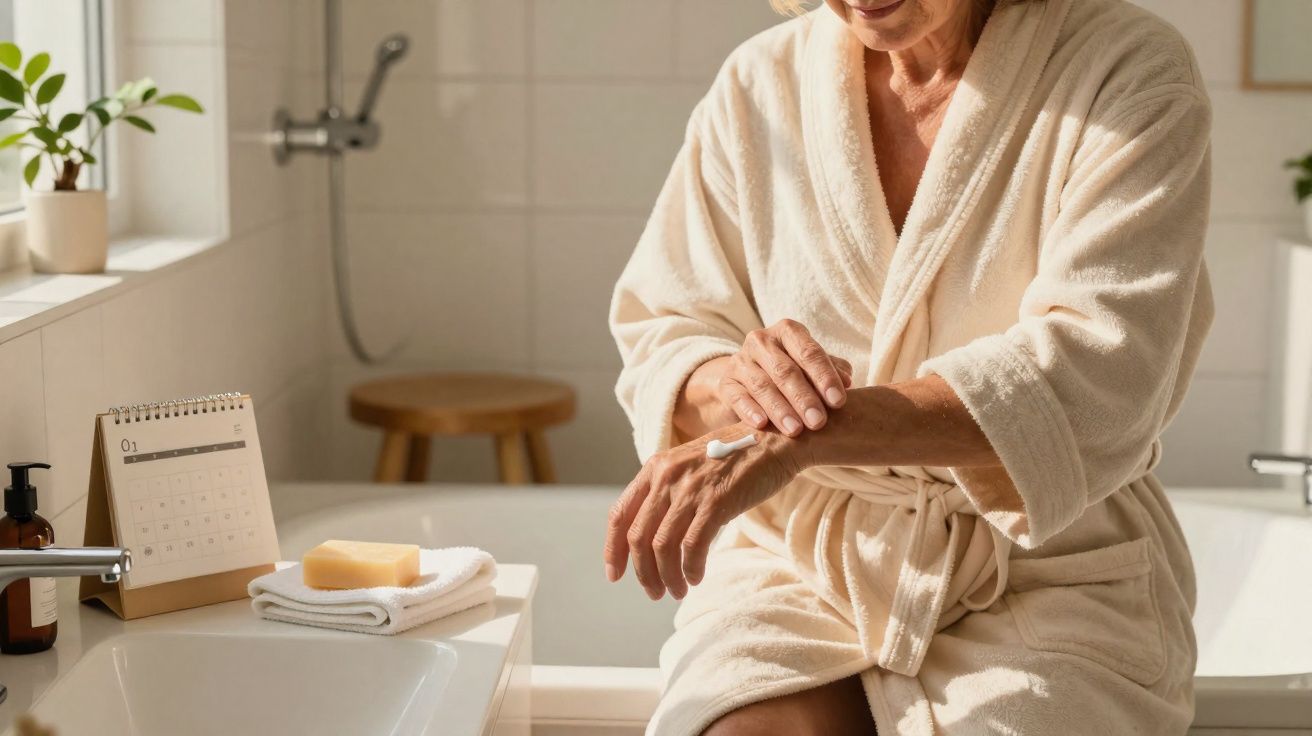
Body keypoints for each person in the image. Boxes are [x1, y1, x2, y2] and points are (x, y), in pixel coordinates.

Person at [606, 0, 1212, 733]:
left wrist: (803, 435)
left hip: (1040, 566)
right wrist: (739, 383)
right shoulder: (761, 83)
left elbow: (1101, 372)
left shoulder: (1125, 70)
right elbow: (669, 325)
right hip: (803, 558)